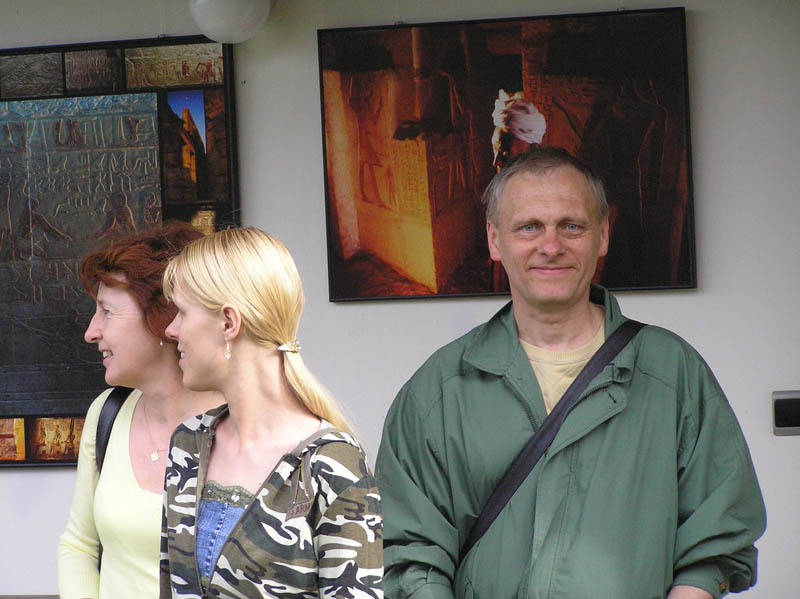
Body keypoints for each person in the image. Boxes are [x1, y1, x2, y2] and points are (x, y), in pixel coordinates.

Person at [376, 146, 766, 599]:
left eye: (571, 226)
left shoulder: (672, 372)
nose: (551, 246)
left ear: (602, 235)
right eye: (528, 227)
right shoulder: (439, 390)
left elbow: (719, 537)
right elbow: (408, 553)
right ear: (495, 241)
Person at [159, 227, 383, 599]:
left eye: (182, 312)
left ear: (228, 323)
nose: (171, 330)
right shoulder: (188, 445)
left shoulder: (330, 464)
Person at [57, 222, 223, 599]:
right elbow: (79, 546)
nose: (91, 332)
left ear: (163, 317)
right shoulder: (107, 413)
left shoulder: (239, 423)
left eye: (107, 311)